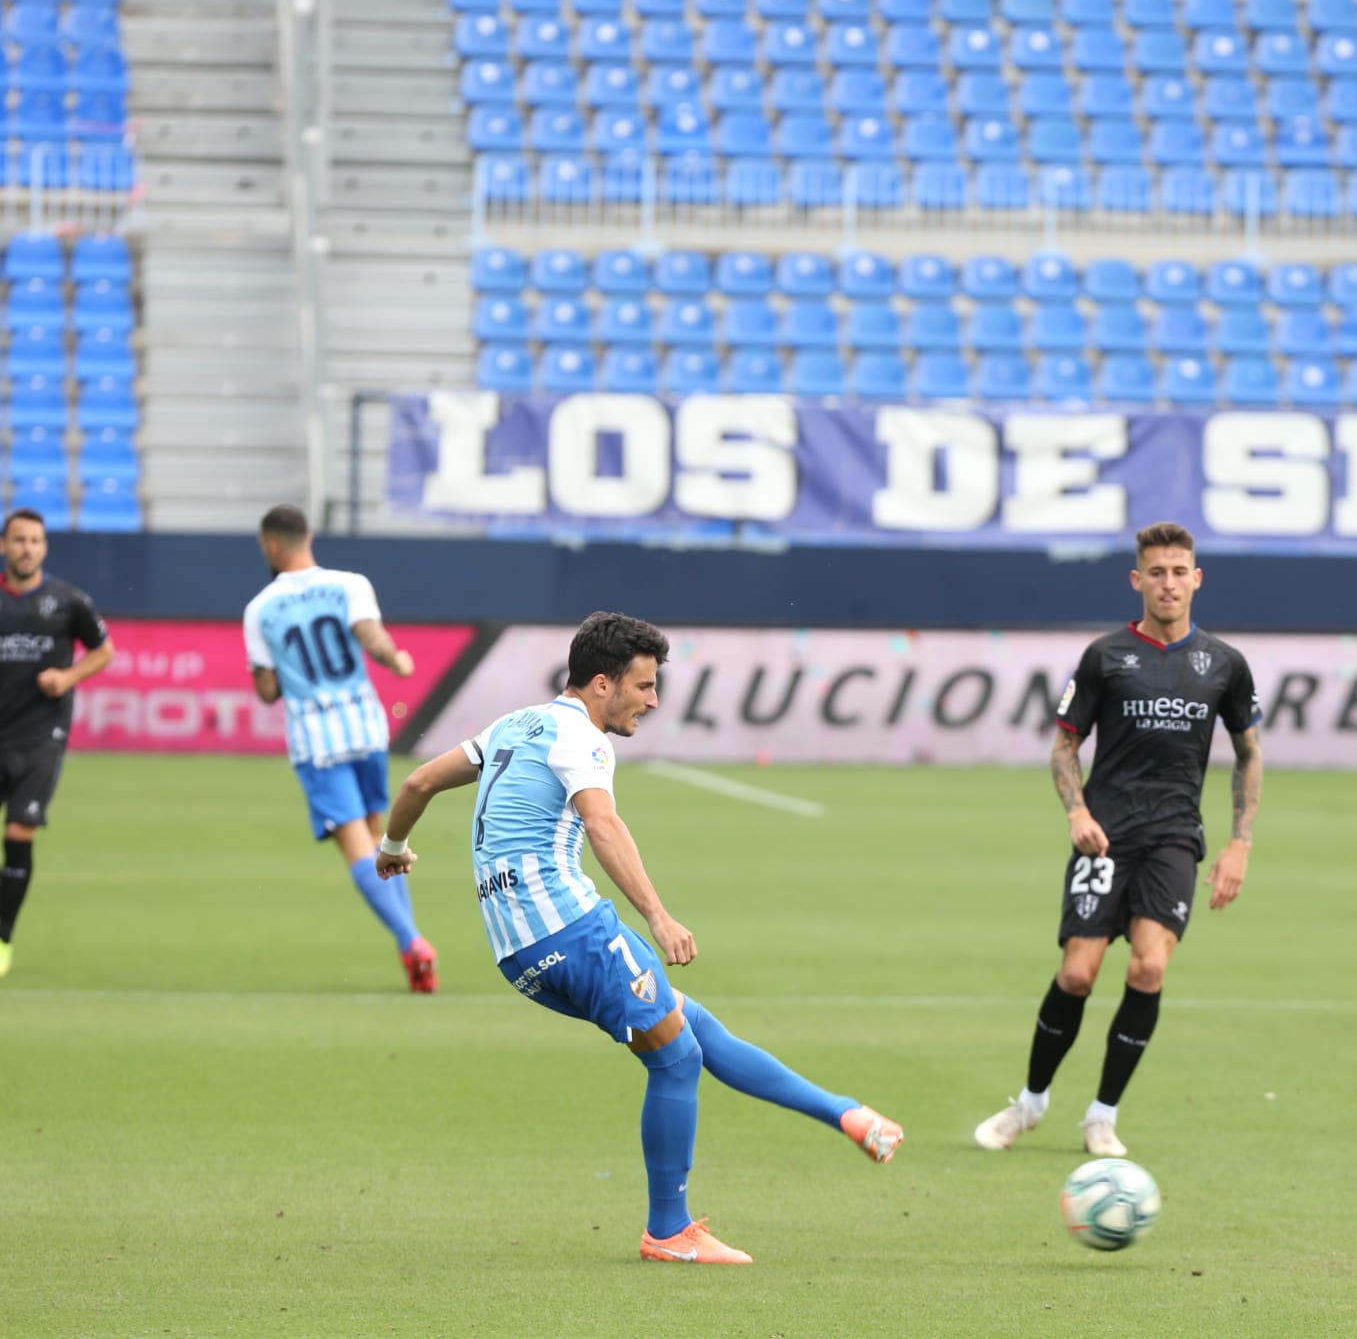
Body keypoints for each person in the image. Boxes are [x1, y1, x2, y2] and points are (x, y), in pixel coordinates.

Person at [374, 611, 903, 1265]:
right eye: (644, 685)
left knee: (688, 1022)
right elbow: (602, 823)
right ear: (603, 683)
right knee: (675, 1057)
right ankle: (669, 1229)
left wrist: (392, 847)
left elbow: (417, 780)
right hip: (570, 928)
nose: (652, 701)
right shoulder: (583, 738)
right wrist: (658, 913)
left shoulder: (514, 724)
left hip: (519, 951)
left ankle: (846, 1114)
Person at [974, 521, 1263, 1158]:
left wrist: (1240, 843)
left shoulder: (1224, 664)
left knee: (1150, 965)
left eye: (1179, 571)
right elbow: (1064, 747)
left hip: (1174, 837)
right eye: (1156, 572)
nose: (1168, 583)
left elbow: (1249, 754)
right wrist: (1076, 812)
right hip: (1103, 836)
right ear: (1138, 580)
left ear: (1197, 578)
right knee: (1078, 973)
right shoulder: (1105, 656)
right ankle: (1031, 1102)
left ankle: (1101, 1116)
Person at [243, 505, 436, 991]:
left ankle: (411, 939)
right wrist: (398, 659)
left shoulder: (260, 608)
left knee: (355, 845)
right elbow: (372, 639)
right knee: (382, 840)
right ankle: (409, 950)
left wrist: (280, 673)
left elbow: (267, 691)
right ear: (309, 536)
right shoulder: (350, 584)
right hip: (366, 727)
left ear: (270, 545)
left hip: (316, 738)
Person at [0, 509, 115, 977]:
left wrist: (67, 677)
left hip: (39, 738)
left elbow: (104, 651)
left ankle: (2, 938)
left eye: (35, 541)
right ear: (4, 546)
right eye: (18, 540)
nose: (27, 548)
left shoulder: (69, 602)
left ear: (44, 548)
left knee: (19, 834)